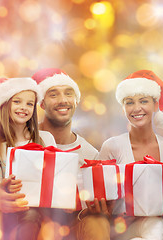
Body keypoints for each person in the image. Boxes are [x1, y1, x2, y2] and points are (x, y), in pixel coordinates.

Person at [96, 69, 163, 240]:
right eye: (129, 102)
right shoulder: (111, 147)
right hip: (119, 228)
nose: (137, 108)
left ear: (155, 104)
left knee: (154, 224)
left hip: (159, 227)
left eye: (143, 101)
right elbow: (100, 195)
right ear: (123, 108)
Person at [0, 77, 57, 240]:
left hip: (45, 204)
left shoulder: (46, 139)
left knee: (36, 213)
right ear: (5, 105)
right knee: (30, 213)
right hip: (14, 207)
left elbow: (56, 173)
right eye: (17, 101)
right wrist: (5, 187)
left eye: (29, 104)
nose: (23, 108)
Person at [32, 68, 103, 240]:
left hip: (73, 226)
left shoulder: (90, 154)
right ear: (41, 103)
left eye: (68, 93)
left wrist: (98, 210)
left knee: (99, 222)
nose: (63, 100)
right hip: (34, 225)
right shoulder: (26, 139)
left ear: (76, 100)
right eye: (53, 94)